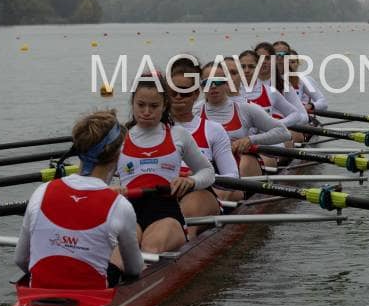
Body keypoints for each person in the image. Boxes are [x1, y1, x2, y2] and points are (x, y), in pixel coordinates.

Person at [14, 110, 142, 289]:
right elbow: (134, 269)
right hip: (94, 296)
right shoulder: (120, 205)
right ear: (117, 154)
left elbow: (20, 259)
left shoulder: (41, 192)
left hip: (39, 293)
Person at [118, 72, 215, 253]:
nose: (147, 112)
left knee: (150, 248)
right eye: (141, 105)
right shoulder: (119, 138)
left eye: (154, 106)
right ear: (133, 103)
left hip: (165, 211)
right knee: (121, 251)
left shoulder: (178, 135)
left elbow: (208, 172)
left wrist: (191, 181)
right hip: (128, 210)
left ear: (164, 106)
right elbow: (97, 181)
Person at [169, 59, 241, 235]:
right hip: (163, 194)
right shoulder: (152, 130)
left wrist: (196, 179)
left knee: (185, 214)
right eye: (173, 91)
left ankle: (187, 238)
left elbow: (232, 177)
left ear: (196, 94)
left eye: (184, 92)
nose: (178, 96)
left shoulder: (213, 129)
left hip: (200, 193)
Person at [200, 62, 290, 177]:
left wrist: (250, 140)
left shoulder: (245, 109)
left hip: (240, 165)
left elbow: (284, 133)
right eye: (207, 82)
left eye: (218, 81)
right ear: (202, 86)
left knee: (247, 162)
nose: (213, 86)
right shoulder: (194, 112)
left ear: (227, 82)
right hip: (206, 166)